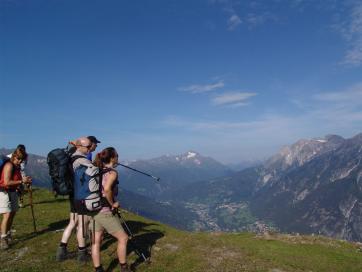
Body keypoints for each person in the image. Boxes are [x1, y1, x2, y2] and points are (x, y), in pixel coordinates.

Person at [56, 137, 99, 261]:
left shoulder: (71, 156)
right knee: (82, 224)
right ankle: (82, 253)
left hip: (72, 194)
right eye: (88, 146)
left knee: (73, 222)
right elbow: (94, 173)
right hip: (80, 195)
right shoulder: (81, 160)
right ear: (80, 146)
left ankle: (61, 250)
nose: (90, 148)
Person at [91, 147, 130, 272]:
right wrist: (113, 204)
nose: (118, 158)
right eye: (117, 156)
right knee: (123, 238)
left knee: (96, 241)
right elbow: (107, 189)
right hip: (105, 210)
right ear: (112, 158)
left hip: (94, 209)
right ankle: (124, 268)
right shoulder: (112, 172)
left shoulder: (98, 170)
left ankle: (98, 269)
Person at [0, 146, 32, 249]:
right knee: (7, 215)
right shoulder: (9, 165)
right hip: (5, 193)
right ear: (14, 156)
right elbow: (6, 182)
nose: (20, 161)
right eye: (18, 159)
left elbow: (16, 179)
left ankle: (7, 234)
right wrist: (22, 181)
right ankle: (3, 238)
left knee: (12, 214)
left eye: (21, 159)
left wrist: (22, 183)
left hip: (13, 192)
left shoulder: (16, 167)